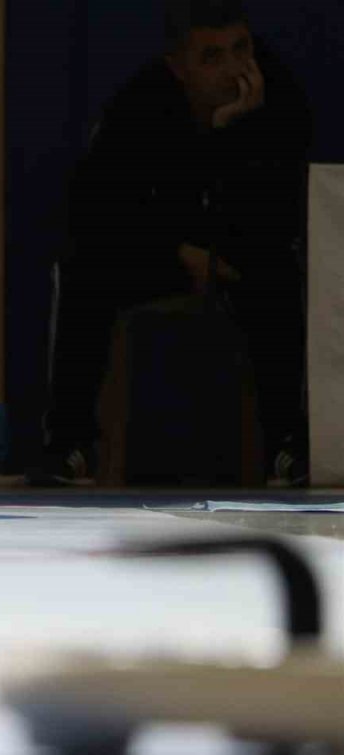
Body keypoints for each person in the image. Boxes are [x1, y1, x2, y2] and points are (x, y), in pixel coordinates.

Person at [38, 0, 312, 486]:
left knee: (284, 281)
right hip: (162, 254)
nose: (233, 68)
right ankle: (69, 444)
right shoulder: (140, 104)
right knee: (86, 272)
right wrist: (177, 252)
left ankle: (289, 446)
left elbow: (278, 211)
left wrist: (235, 131)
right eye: (212, 57)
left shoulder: (278, 97)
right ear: (178, 66)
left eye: (240, 49)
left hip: (246, 254)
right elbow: (97, 210)